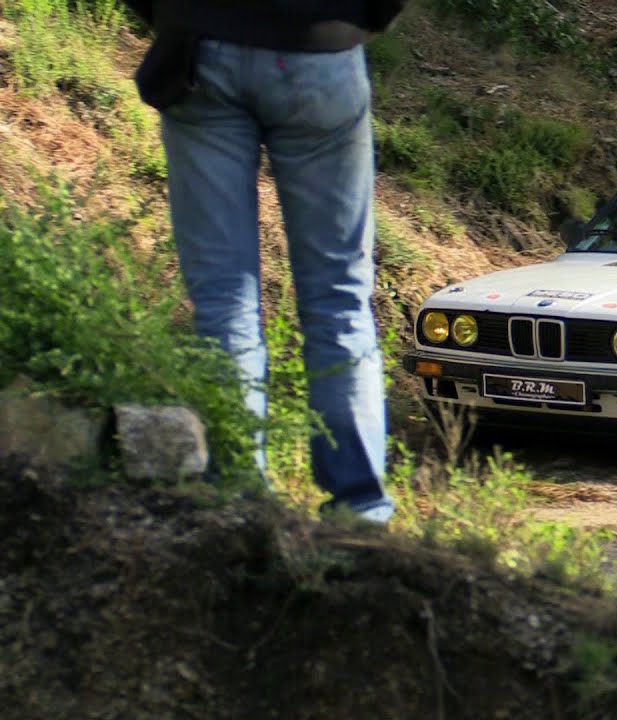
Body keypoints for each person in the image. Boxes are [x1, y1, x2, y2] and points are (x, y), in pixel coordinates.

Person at [124, 1, 407, 523]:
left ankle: (240, 500)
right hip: (322, 47)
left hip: (200, 48)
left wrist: (172, 14)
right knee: (338, 296)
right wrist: (366, 17)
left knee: (223, 298)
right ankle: (360, 509)